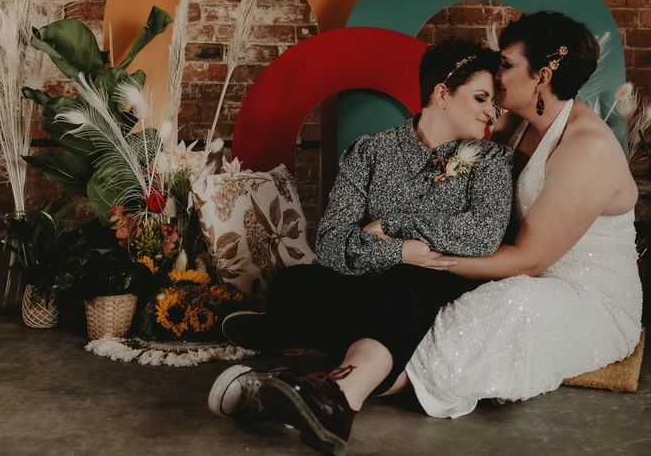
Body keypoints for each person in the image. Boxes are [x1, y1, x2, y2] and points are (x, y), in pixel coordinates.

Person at [207, 38, 514, 454]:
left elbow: (482, 235)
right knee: (294, 284)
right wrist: (400, 250)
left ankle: (336, 395)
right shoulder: (370, 152)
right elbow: (332, 242)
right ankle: (291, 354)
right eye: (480, 97)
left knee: (400, 288)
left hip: (431, 287)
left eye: (493, 103)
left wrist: (388, 226)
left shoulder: (491, 161)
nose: (489, 112)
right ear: (442, 93)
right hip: (367, 281)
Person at [400, 11, 643, 418]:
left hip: (586, 300)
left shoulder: (588, 146)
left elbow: (530, 261)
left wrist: (430, 258)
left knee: (514, 302)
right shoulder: (515, 121)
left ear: (543, 76)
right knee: (408, 282)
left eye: (507, 64)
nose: (496, 74)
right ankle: (364, 358)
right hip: (519, 269)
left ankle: (375, 381)